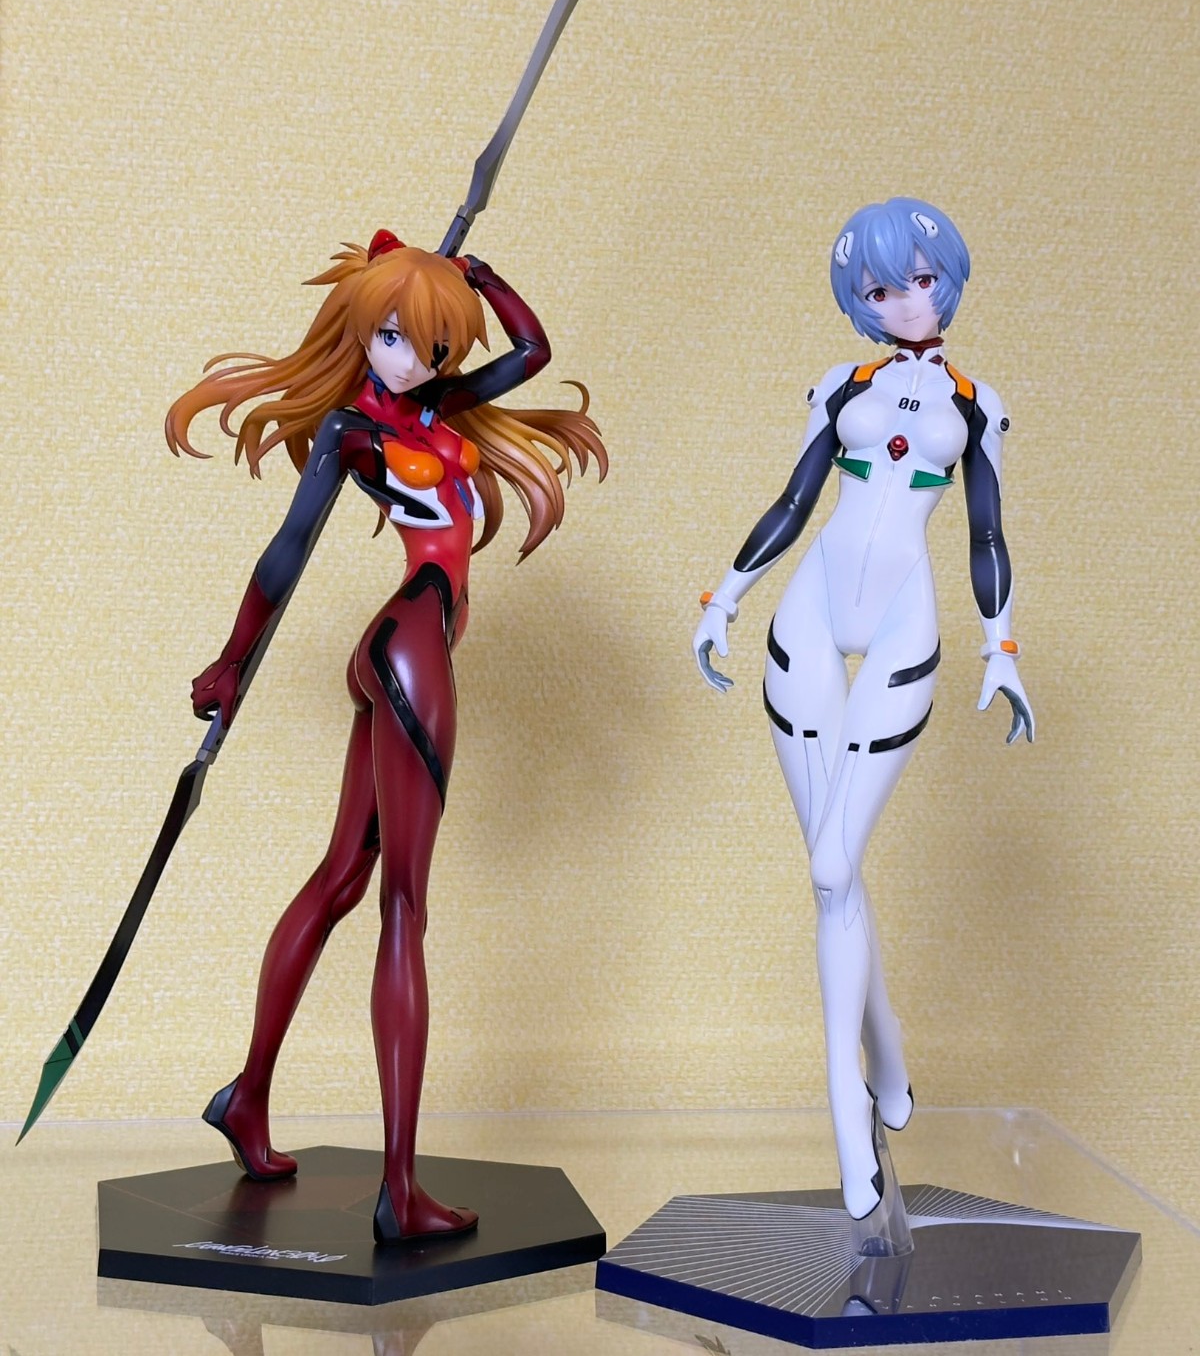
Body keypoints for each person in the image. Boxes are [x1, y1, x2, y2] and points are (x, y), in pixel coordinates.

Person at [166, 232, 606, 1242]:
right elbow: (285, 550)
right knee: (401, 905)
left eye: (432, 345)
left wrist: (482, 277)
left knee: (341, 879)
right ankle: (399, 1190)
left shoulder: (436, 408)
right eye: (394, 336)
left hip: (399, 647)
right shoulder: (352, 432)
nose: (410, 358)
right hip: (412, 648)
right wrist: (231, 660)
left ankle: (246, 1097)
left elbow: (533, 352)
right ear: (362, 328)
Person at [692, 198, 1033, 1221]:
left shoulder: (976, 403)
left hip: (901, 625)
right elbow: (795, 501)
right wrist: (723, 596)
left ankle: (853, 1104)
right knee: (830, 871)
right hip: (808, 613)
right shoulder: (841, 385)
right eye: (882, 288)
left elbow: (985, 532)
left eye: (920, 280)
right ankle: (879, 1067)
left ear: (948, 280)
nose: (906, 301)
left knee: (834, 869)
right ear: (861, 300)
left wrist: (1002, 646)